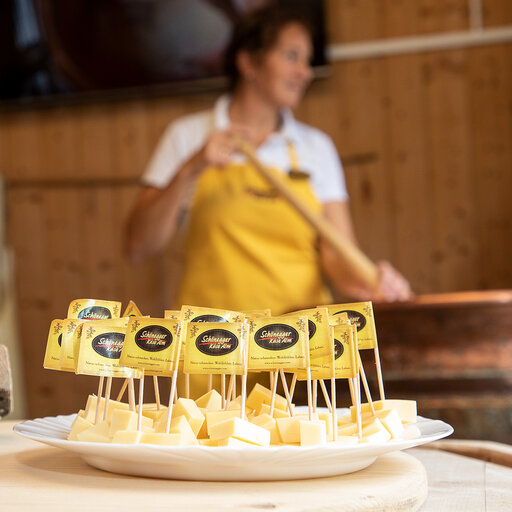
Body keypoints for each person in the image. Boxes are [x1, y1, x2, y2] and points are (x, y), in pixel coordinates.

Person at [125, 6, 412, 317]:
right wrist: (190, 168)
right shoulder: (186, 136)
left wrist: (373, 280)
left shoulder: (315, 147)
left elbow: (337, 255)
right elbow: (138, 247)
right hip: (213, 344)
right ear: (248, 62)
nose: (305, 71)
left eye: (306, 60)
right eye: (291, 56)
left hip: (301, 345)